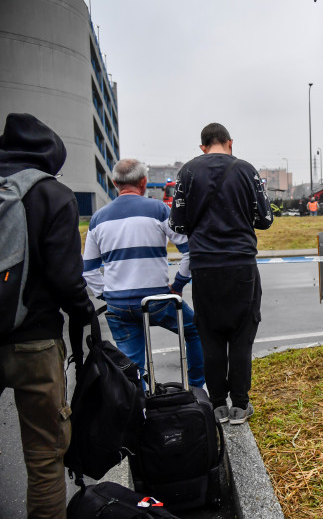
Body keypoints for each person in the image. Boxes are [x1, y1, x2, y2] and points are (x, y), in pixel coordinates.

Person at [0, 113, 94, 518]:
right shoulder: (53, 195)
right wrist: (85, 313)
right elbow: (65, 278)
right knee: (44, 457)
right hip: (34, 341)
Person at [169, 123, 273, 425]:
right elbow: (265, 219)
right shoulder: (246, 170)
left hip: (204, 266)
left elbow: (177, 224)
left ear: (203, 146)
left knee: (210, 336)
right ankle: (240, 406)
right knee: (242, 335)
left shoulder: (187, 172)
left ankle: (217, 406)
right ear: (229, 143)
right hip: (241, 263)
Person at [82, 158, 205, 389]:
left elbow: (88, 270)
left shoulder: (98, 219)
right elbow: (191, 252)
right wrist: (177, 286)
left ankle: (139, 404)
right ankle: (196, 387)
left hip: (118, 306)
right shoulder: (159, 210)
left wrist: (106, 295)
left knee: (131, 365)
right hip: (158, 301)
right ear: (144, 182)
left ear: (113, 182)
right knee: (195, 331)